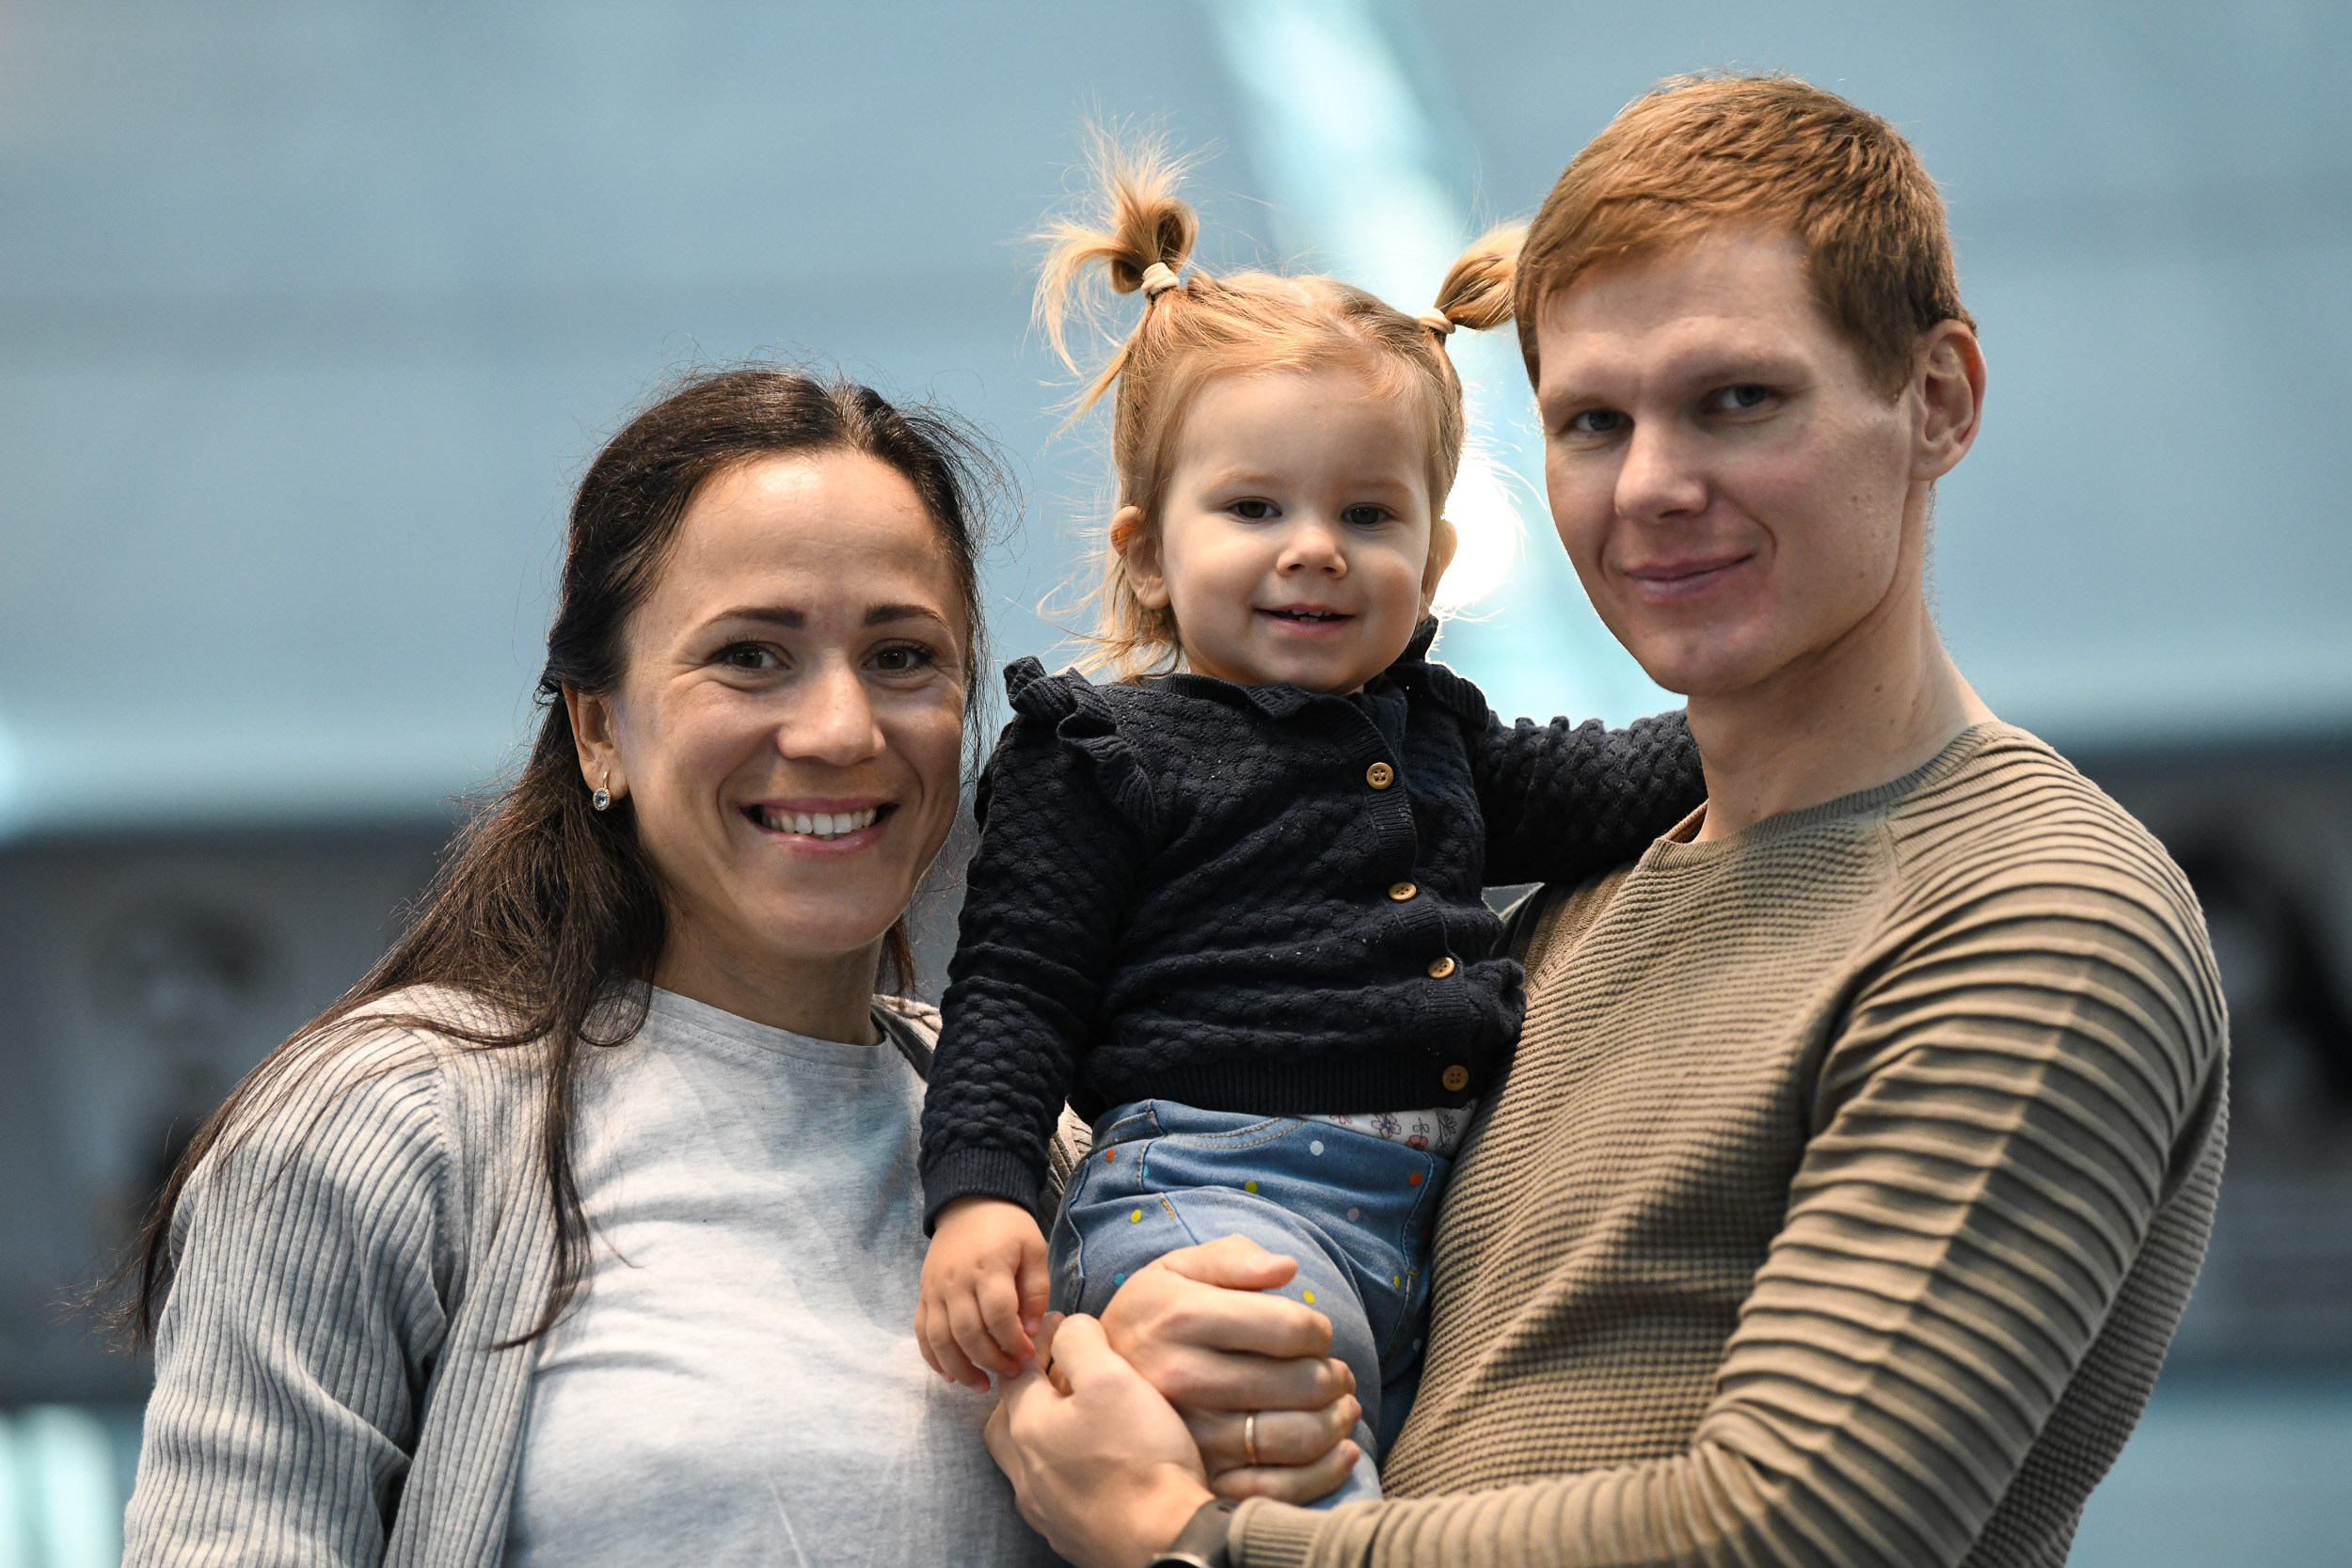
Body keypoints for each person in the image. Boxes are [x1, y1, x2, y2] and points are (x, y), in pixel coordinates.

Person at [984, 73, 2229, 1568]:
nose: (1651, 486)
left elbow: (1802, 1528)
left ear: (1939, 398)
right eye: (1591, 420)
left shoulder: (2030, 910)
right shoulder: (1568, 900)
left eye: (1737, 400)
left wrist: (1196, 1534)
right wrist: (1155, 1334)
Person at [119, 368, 1057, 1566]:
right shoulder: (388, 1128)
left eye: (902, 655)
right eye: (751, 654)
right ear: (597, 726)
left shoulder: (1050, 1146)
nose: (840, 729)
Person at [913, 142, 1708, 1504]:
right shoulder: (1102, 753)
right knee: (1296, 1457)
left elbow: (1612, 783)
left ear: (1434, 560)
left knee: (1388, 1478)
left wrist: (1766, 699)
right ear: (1145, 554)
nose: (1315, 547)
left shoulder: (1439, 737)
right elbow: (1013, 990)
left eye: (1368, 512)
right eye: (1253, 506)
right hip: (1205, 1204)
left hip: (1408, 1233)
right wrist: (980, 1194)